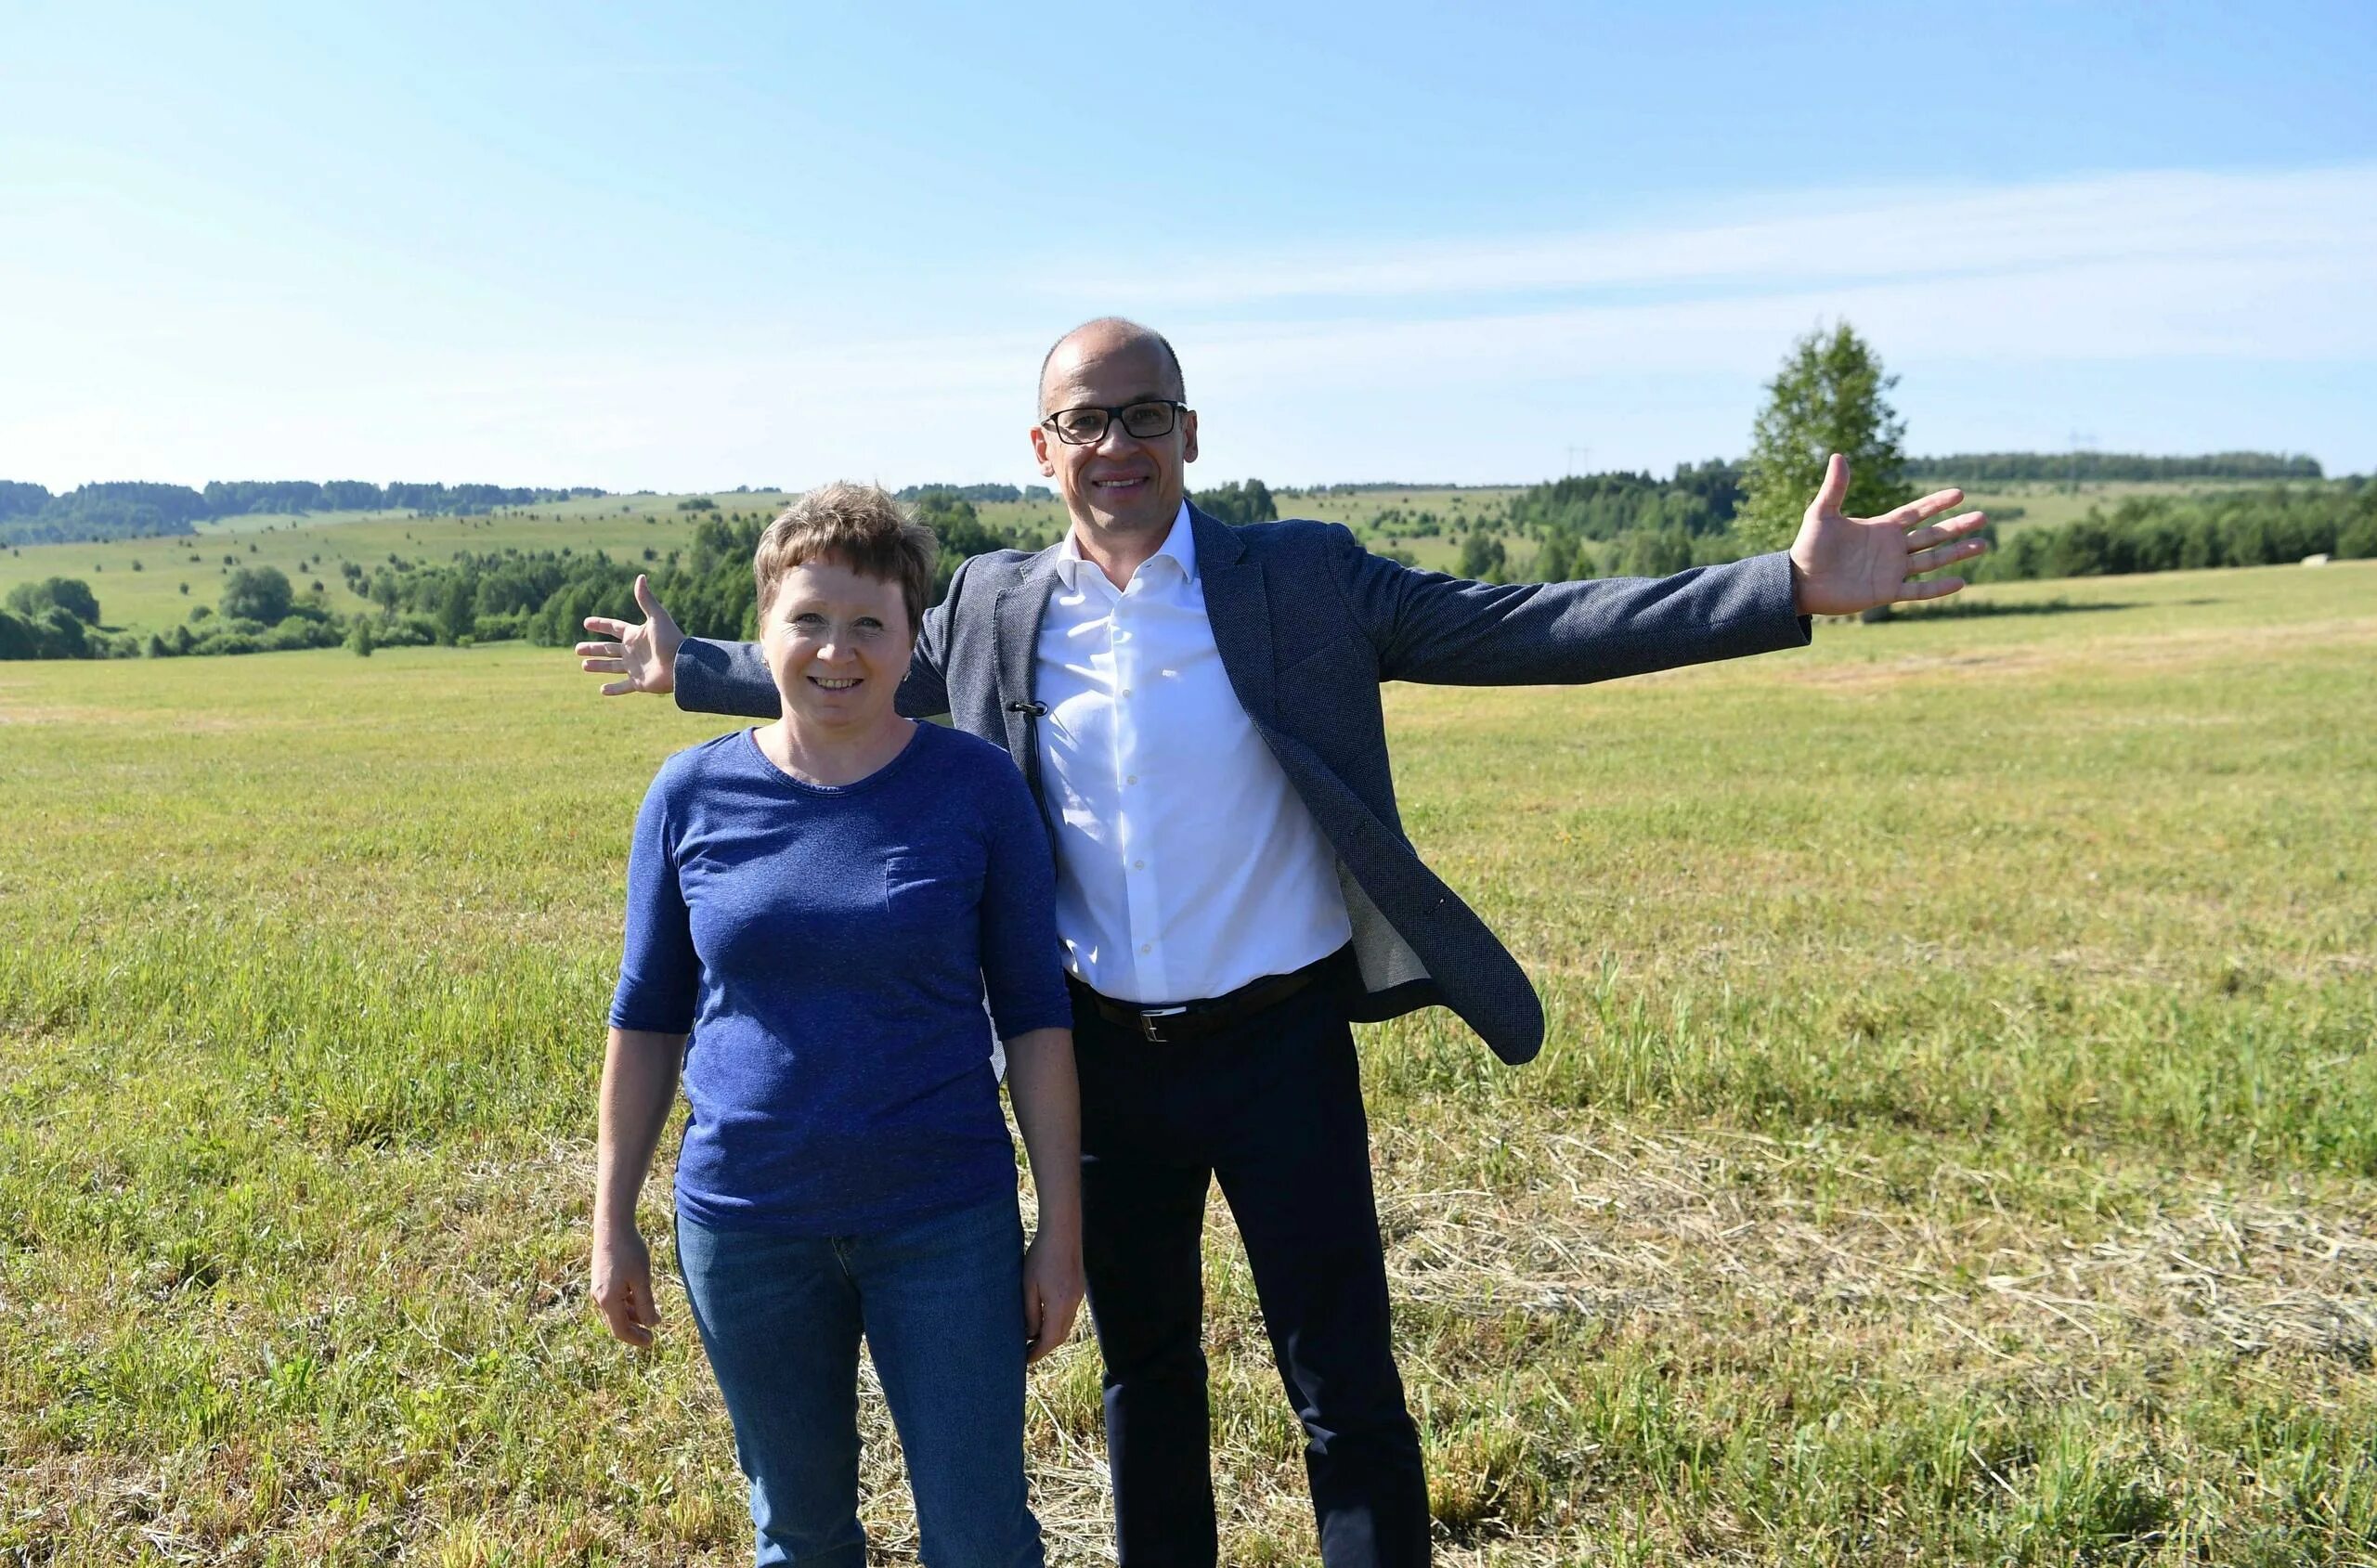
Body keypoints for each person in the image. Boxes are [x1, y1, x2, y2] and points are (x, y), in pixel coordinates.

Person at [577, 318, 1989, 1567]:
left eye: (1144, 415)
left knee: (1343, 1380)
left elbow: (1531, 623)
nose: (1116, 443)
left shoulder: (1301, 579)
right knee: (1149, 1382)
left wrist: (1782, 589)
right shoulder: (1004, 606)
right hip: (1106, 1062)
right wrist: (691, 666)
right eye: (1085, 420)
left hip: (1282, 1046)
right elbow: (860, 664)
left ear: (1189, 433)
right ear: (1042, 447)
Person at [591, 483, 1083, 1568]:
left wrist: (1060, 1227)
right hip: (748, 1221)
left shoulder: (975, 788)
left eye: (870, 623)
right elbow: (648, 1016)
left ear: (913, 641)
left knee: (981, 1538)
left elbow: (1037, 1017)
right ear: (763, 629)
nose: (835, 651)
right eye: (808, 619)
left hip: (942, 1223)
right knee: (800, 1534)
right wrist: (611, 1215)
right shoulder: (688, 795)